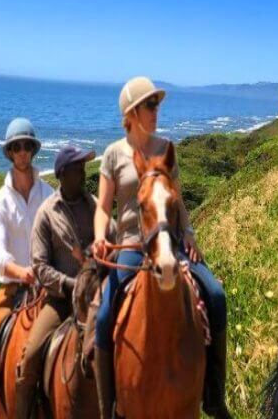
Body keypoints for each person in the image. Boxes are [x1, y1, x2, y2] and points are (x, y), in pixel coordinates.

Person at [90, 77, 230, 419]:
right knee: (105, 316)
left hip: (171, 241)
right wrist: (99, 236)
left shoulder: (167, 148)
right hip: (131, 247)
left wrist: (190, 234)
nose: (156, 111)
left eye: (157, 105)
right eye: (150, 105)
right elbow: (103, 208)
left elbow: (176, 200)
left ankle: (213, 394)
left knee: (215, 293)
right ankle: (110, 407)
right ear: (131, 112)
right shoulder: (113, 154)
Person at [0, 117, 55, 419]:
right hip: (14, 288)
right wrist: (25, 273)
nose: (22, 152)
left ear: (33, 151)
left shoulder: (49, 194)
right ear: (10, 153)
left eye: (26, 146)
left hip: (47, 286)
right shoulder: (1, 202)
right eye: (16, 147)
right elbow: (0, 257)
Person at [13, 144, 97, 419]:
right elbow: (40, 266)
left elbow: (110, 245)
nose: (83, 173)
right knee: (29, 361)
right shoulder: (46, 213)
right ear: (62, 174)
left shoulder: (96, 206)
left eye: (83, 168)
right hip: (60, 302)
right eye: (77, 169)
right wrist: (72, 285)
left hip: (96, 300)